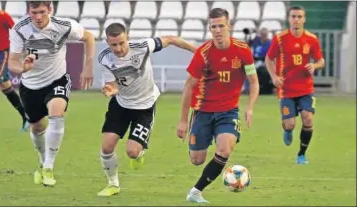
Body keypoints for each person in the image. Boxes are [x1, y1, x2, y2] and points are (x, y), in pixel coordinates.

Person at [96, 23, 197, 196]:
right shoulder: (105, 58)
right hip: (121, 104)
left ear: (127, 37)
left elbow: (171, 39)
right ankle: (113, 184)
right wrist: (111, 89)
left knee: (132, 152)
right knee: (106, 147)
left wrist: (198, 51)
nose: (118, 48)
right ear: (107, 42)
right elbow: (111, 84)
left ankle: (139, 152)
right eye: (114, 45)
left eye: (121, 43)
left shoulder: (142, 47)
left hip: (145, 106)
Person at [176, 8, 260, 203]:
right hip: (203, 112)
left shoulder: (242, 50)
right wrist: (182, 121)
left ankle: (196, 191)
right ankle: (199, 147)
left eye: (221, 26)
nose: (217, 30)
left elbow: (254, 82)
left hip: (228, 112)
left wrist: (250, 107)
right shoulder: (203, 54)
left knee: (224, 149)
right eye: (213, 27)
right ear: (210, 29)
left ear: (228, 26)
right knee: (197, 159)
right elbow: (188, 86)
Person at [8, 1, 95, 186]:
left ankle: (49, 166)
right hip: (30, 85)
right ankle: (42, 160)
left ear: (50, 10)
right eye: (34, 13)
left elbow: (88, 37)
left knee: (57, 113)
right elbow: (12, 63)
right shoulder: (19, 29)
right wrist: (23, 67)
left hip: (57, 79)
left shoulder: (64, 26)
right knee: (37, 127)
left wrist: (88, 65)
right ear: (27, 11)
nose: (38, 17)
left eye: (42, 12)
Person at [265, 6, 325, 164]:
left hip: (305, 88)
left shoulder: (311, 39)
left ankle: (301, 155)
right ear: (289, 18)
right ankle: (287, 129)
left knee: (308, 119)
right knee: (290, 124)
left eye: (299, 16)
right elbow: (268, 59)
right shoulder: (280, 38)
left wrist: (315, 66)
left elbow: (321, 60)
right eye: (293, 16)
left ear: (304, 19)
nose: (296, 19)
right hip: (286, 89)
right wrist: (274, 76)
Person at [0, 8, 29, 131]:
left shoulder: (2, 16)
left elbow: (17, 31)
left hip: (0, 55)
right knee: (6, 88)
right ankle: (26, 117)